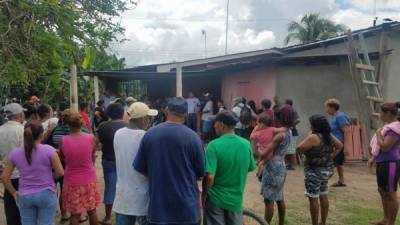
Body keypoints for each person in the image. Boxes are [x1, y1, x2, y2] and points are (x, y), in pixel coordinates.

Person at [133, 97, 205, 225]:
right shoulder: (193, 138)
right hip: (187, 210)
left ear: (166, 111)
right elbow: (200, 172)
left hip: (158, 209)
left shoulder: (150, 134)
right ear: (186, 114)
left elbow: (140, 167)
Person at [2, 122, 64, 225]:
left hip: (25, 195)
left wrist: (14, 192)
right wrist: (50, 177)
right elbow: (60, 172)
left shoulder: (15, 153)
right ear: (41, 135)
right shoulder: (49, 150)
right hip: (46, 193)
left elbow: (4, 177)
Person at [202, 110, 256, 225]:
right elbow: (250, 167)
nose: (214, 125)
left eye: (215, 123)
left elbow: (210, 177)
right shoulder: (246, 144)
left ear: (221, 124)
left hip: (216, 198)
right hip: (236, 199)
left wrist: (204, 193)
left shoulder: (213, 145)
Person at [113, 102, 158, 225]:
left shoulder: (118, 133)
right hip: (142, 196)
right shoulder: (145, 136)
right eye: (149, 118)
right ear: (143, 119)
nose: (150, 121)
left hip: (123, 196)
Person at [296, 115, 343, 225]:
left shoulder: (313, 137)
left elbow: (299, 148)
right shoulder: (328, 136)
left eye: (311, 124)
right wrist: (330, 157)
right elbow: (340, 146)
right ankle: (323, 222)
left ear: (314, 126)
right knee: (323, 194)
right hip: (326, 170)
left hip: (314, 171)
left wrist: (309, 136)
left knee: (313, 198)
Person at [59, 112, 101, 225]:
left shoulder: (63, 140)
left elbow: (62, 157)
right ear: (81, 124)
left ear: (68, 125)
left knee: (75, 214)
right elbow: (92, 153)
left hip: (71, 180)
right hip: (89, 179)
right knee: (92, 211)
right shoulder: (91, 138)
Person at [258, 105, 294, 225]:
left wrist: (257, 147)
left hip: (272, 168)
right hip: (281, 166)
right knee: (279, 197)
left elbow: (264, 153)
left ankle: (265, 223)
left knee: (268, 201)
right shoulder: (289, 131)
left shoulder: (279, 135)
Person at [368, 102, 400, 225]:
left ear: (388, 114)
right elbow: (380, 148)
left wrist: (378, 134)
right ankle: (386, 219)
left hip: (391, 164)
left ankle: (390, 222)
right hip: (383, 163)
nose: (380, 114)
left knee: (391, 194)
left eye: (381, 112)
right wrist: (373, 158)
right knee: (382, 191)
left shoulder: (395, 129)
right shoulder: (388, 127)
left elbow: (385, 147)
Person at [96, 103, 127, 225]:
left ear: (108, 113)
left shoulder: (102, 127)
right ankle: (124, 214)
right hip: (123, 161)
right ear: (122, 113)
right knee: (124, 186)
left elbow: (97, 144)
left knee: (110, 187)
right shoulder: (127, 126)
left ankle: (108, 217)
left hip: (108, 160)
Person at [0, 103, 25, 225]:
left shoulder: (0, 130)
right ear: (20, 115)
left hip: (7, 176)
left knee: (10, 207)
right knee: (23, 209)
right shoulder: (22, 129)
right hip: (22, 175)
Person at [324, 98, 349, 187]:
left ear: (332, 108)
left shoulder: (340, 116)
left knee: (332, 162)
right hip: (335, 144)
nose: (325, 109)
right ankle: (341, 181)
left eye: (326, 107)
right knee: (338, 163)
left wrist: (346, 147)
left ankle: (322, 181)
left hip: (339, 145)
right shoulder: (334, 117)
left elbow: (346, 131)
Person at [250, 115, 277, 180]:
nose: (257, 125)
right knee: (261, 162)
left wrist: (255, 129)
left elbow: (251, 137)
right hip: (270, 151)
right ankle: (259, 173)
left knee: (261, 163)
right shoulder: (272, 129)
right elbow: (279, 130)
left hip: (263, 151)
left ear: (262, 124)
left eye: (258, 124)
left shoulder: (259, 132)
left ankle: (260, 175)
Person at [285, 99, 301, 170]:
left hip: (293, 132)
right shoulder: (290, 110)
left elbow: (298, 120)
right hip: (290, 132)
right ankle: (288, 164)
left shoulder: (292, 110)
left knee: (292, 149)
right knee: (289, 148)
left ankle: (292, 165)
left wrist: (291, 126)